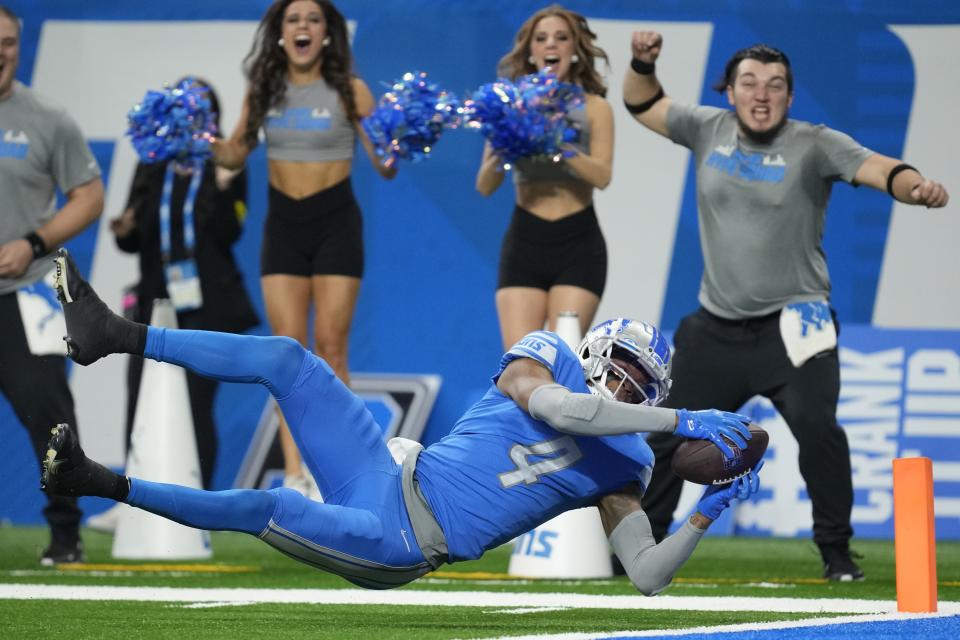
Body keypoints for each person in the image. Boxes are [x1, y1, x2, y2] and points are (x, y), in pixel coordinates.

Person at [44, 249, 760, 592]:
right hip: (384, 473)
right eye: (620, 366)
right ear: (597, 349)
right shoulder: (551, 356)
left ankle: (98, 481)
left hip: (397, 540)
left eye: (637, 382)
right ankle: (115, 333)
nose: (621, 383)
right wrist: (683, 417)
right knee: (290, 359)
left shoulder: (629, 465)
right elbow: (558, 408)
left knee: (264, 504)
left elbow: (645, 576)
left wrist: (703, 514)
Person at [621, 32, 949, 581]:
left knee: (818, 429)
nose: (762, 93)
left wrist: (914, 187)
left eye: (776, 85)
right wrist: (642, 62)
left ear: (791, 98)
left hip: (798, 323)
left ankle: (837, 555)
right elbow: (641, 103)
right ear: (730, 91)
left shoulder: (815, 143)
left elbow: (879, 168)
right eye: (749, 82)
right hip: (715, 327)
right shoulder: (707, 128)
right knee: (665, 432)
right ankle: (637, 547)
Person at [211, 0, 396, 496]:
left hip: (336, 225)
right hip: (283, 230)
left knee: (332, 350)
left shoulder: (351, 90)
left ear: (327, 34)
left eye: (313, 20)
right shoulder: (263, 90)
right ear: (279, 33)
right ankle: (296, 474)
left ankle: (340, 472)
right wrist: (200, 136)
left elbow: (386, 165)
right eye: (294, 20)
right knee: (285, 354)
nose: (303, 28)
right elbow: (233, 152)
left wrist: (402, 139)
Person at [109, 79, 259, 491]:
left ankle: (196, 501)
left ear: (211, 117)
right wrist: (124, 228)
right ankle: (134, 497)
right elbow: (131, 237)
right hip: (153, 298)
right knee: (140, 396)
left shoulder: (225, 164)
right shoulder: (152, 161)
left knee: (195, 402)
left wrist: (227, 191)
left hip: (206, 302)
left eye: (198, 109)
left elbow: (231, 233)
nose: (188, 116)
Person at [0, 5, 104, 564]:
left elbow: (89, 194)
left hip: (23, 294)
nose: (0, 51)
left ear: (19, 46)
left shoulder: (47, 118)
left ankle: (66, 535)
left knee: (50, 417)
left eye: (9, 42)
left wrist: (34, 244)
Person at [476, 5, 614, 350]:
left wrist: (557, 142)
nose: (551, 45)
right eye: (542, 39)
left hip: (578, 246)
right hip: (525, 243)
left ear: (575, 49)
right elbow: (485, 185)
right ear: (532, 51)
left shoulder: (595, 107)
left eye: (561, 38)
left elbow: (602, 175)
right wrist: (504, 144)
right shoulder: (510, 108)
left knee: (560, 356)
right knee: (520, 364)